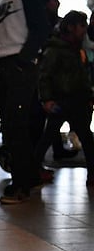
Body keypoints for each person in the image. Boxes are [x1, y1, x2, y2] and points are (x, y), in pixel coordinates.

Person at [0, 0, 49, 204]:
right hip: (3, 63)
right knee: (11, 126)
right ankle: (30, 178)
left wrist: (23, 61)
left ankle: (21, 185)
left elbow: (41, 29)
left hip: (17, 66)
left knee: (16, 127)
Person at [36, 10, 94, 187]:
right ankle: (33, 169)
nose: (84, 30)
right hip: (62, 100)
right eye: (81, 26)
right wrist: (46, 99)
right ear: (71, 27)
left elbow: (83, 75)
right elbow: (44, 75)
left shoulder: (75, 49)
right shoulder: (57, 50)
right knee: (54, 136)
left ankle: (34, 169)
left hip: (76, 100)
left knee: (83, 137)